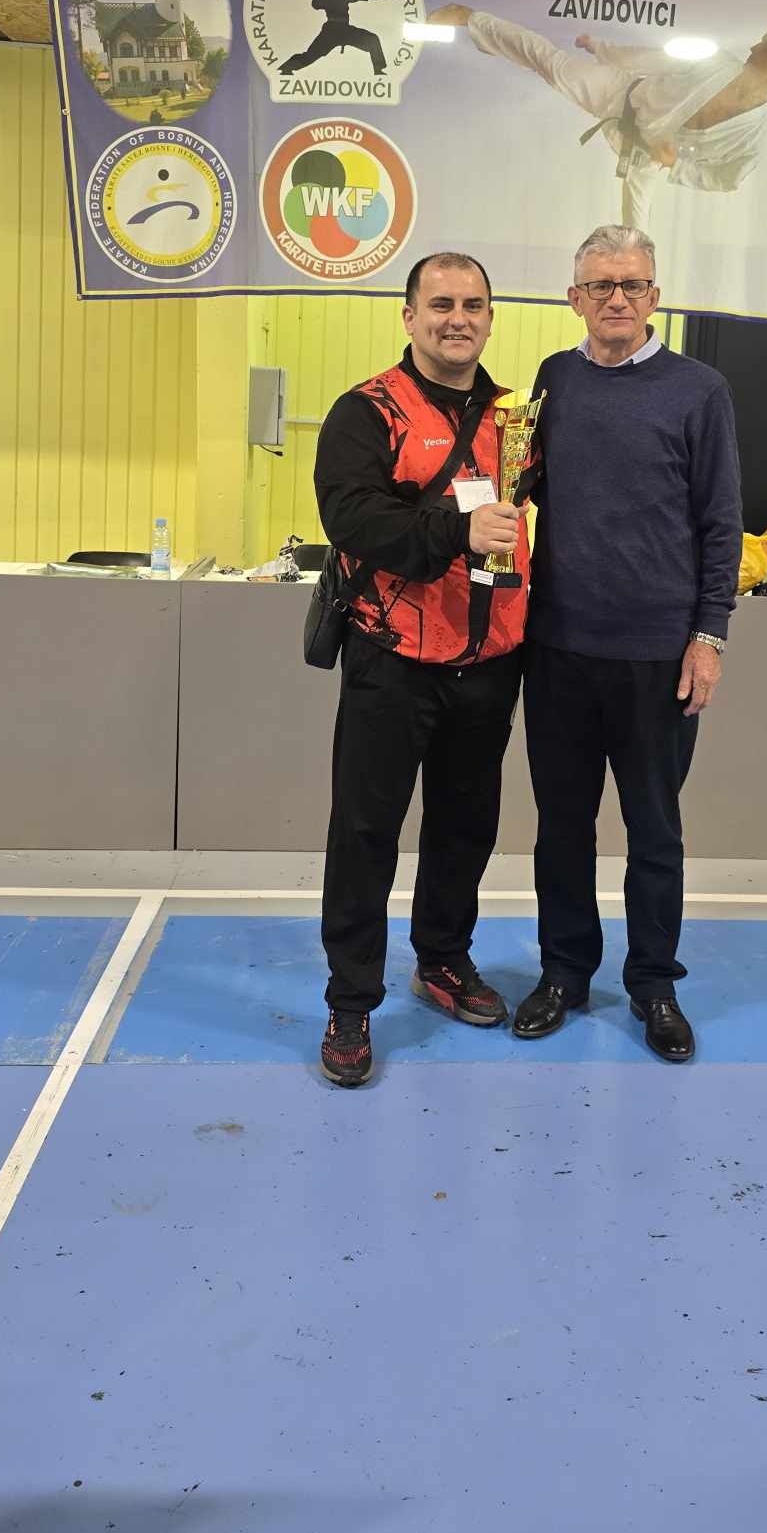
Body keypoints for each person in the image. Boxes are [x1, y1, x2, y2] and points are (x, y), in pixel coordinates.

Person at [513, 224, 743, 1062]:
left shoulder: (700, 390)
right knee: (561, 827)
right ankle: (565, 972)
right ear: (574, 297)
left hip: (658, 656)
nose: (618, 298)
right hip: (558, 649)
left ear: (655, 296)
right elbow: (521, 486)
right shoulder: (553, 380)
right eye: (601, 285)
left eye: (633, 285)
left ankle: (653, 985)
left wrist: (708, 635)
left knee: (655, 833)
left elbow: (722, 524)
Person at [313, 253, 531, 1086]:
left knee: (466, 827)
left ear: (490, 317)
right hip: (392, 658)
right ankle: (351, 1001)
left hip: (490, 661)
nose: (457, 319)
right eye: (440, 304)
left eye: (473, 304)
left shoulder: (517, 420)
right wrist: (456, 532)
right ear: (409, 316)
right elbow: (353, 518)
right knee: (366, 832)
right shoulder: (366, 411)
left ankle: (441, 960)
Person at [428, 4, 767, 226]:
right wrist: (603, 49)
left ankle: (632, 311)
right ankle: (470, 18)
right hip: (620, 96)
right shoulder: (717, 62)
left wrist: (677, 165)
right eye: (762, 37)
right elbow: (654, 59)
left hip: (646, 158)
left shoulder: (752, 134)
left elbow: (728, 177)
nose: (754, 47)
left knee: (637, 241)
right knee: (548, 62)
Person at [280, 0, 391, 77]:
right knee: (311, 55)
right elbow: (315, 4)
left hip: (344, 30)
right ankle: (287, 67)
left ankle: (378, 69)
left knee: (372, 39)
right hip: (332, 31)